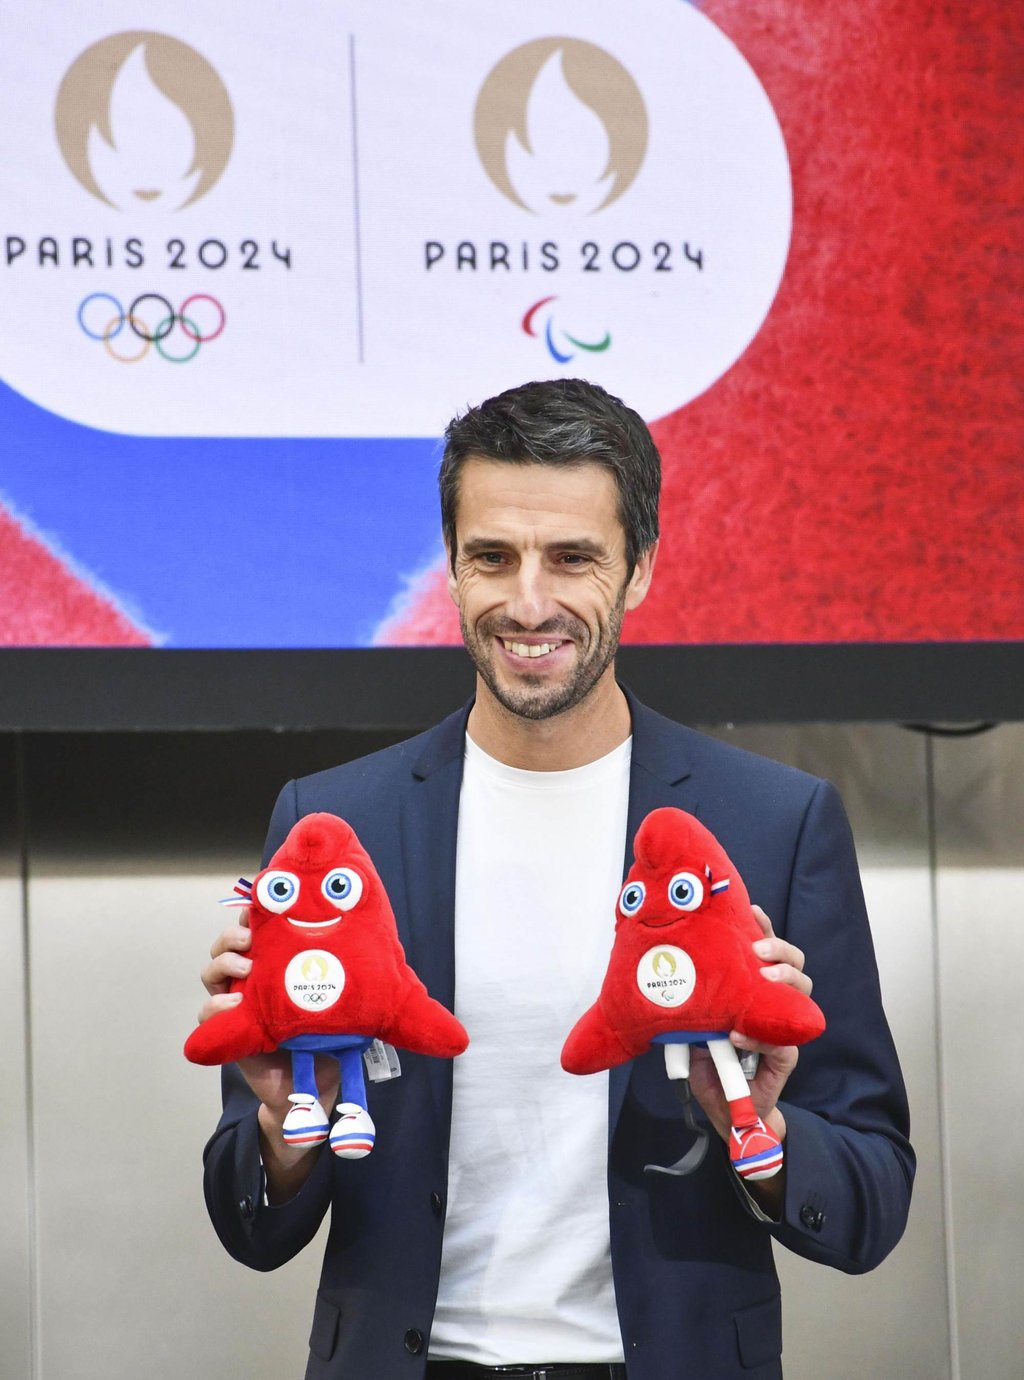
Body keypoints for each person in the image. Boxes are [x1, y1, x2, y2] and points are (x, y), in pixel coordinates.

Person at [197, 378, 914, 1380]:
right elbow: (253, 1229)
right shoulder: (333, 827)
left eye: (572, 557)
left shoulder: (772, 823)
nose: (528, 602)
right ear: (449, 568)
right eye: (493, 556)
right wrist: (280, 1124)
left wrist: (758, 1120)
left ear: (640, 570)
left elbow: (871, 1203)